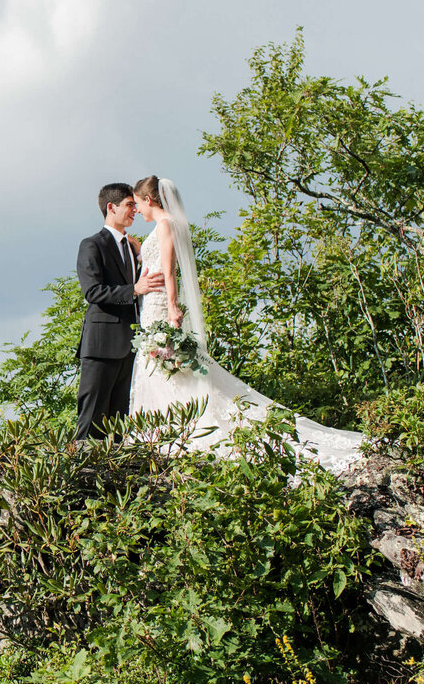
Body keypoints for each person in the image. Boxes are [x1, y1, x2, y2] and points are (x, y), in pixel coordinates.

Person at [130, 175, 364, 472]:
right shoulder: (161, 226)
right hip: (151, 305)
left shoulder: (164, 225)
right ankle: (168, 428)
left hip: (162, 306)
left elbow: (170, 270)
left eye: (138, 203)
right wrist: (139, 250)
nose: (138, 209)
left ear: (149, 200)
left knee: (168, 368)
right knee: (163, 369)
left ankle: (177, 430)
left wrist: (174, 308)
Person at [74, 183, 165, 442]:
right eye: (129, 204)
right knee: (91, 419)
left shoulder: (132, 246)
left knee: (119, 426)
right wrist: (133, 289)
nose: (135, 210)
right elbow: (93, 292)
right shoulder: (92, 245)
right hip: (101, 345)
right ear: (111, 207)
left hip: (130, 347)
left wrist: (139, 257)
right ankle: (82, 476)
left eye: (136, 205)